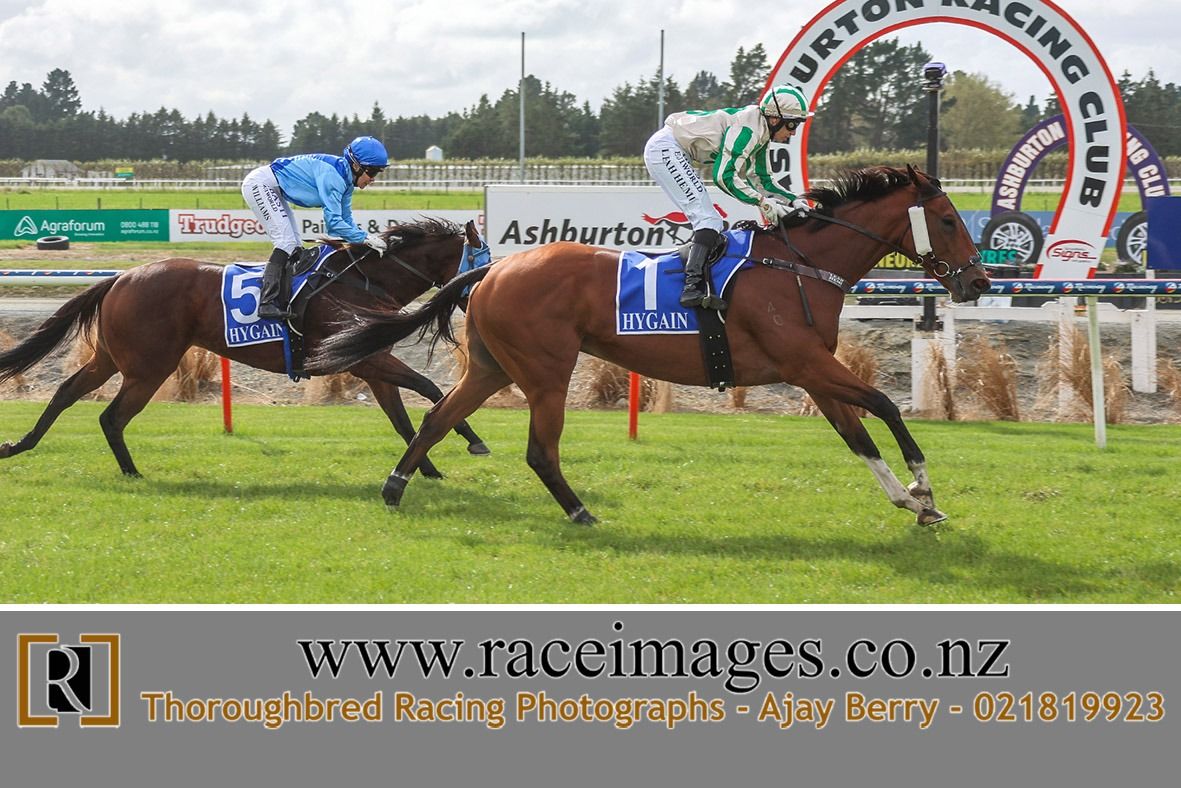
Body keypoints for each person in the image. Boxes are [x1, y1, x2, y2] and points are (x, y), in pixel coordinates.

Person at [643, 84, 816, 309]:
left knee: (710, 221)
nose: (793, 132)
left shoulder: (761, 130)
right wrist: (763, 203)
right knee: (709, 220)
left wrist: (792, 199)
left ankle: (699, 283)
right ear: (775, 119)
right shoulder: (748, 130)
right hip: (666, 149)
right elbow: (724, 176)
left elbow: (762, 179)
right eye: (793, 124)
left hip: (674, 149)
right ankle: (691, 288)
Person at [241, 136, 391, 319]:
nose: (373, 179)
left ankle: (284, 299)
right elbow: (333, 224)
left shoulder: (346, 182)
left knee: (295, 247)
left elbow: (345, 221)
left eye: (377, 173)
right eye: (372, 172)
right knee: (286, 243)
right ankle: (266, 302)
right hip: (261, 184)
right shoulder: (334, 177)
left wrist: (365, 239)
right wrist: (365, 238)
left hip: (273, 187)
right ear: (356, 166)